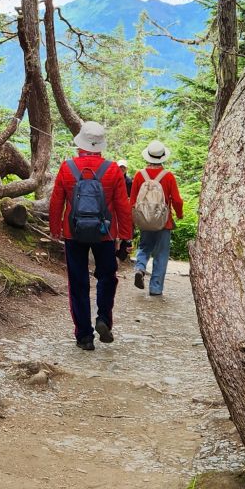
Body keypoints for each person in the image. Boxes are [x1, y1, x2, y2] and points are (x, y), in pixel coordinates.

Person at [49, 122, 133, 351]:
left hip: (73, 232)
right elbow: (122, 206)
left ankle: (84, 336)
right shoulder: (113, 169)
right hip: (105, 233)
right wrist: (126, 236)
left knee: (78, 283)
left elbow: (56, 201)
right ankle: (103, 318)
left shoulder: (67, 168)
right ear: (100, 146)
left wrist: (55, 228)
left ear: (81, 145)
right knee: (107, 277)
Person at [130, 140, 184, 296]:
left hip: (144, 220)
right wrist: (179, 214)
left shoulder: (139, 175)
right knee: (161, 254)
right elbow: (177, 200)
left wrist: (133, 221)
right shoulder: (168, 176)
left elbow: (132, 200)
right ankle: (155, 288)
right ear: (162, 157)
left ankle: (140, 267)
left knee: (144, 247)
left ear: (148, 156)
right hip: (163, 221)